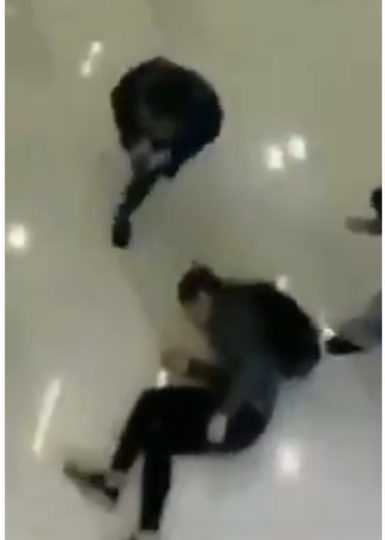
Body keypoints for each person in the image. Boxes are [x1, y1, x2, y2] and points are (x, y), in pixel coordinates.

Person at [63, 265, 285, 540]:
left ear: (203, 298)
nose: (192, 320)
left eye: (190, 311)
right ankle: (115, 486)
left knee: (159, 437)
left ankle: (140, 522)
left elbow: (253, 367)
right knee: (152, 403)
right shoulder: (229, 313)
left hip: (245, 417)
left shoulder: (230, 317)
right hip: (238, 404)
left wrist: (222, 414)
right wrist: (192, 367)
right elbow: (236, 374)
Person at [110, 57, 223, 248]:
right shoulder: (131, 89)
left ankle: (125, 213)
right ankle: (124, 214)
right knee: (144, 170)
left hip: (176, 144)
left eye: (153, 125)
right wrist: (132, 141)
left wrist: (162, 159)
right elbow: (122, 111)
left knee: (146, 179)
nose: (146, 128)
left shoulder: (207, 119)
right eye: (142, 118)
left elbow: (181, 152)